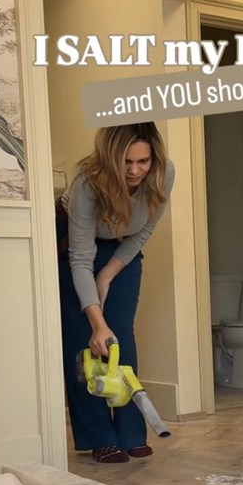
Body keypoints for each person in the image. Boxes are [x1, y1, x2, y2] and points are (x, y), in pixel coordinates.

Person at [56, 122, 175, 463]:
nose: (136, 170)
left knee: (119, 335)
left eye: (144, 161)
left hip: (122, 246)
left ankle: (130, 431)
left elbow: (144, 231)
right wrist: (95, 320)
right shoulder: (86, 184)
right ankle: (99, 436)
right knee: (86, 338)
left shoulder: (164, 174)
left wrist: (107, 275)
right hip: (75, 241)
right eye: (127, 163)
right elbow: (80, 259)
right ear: (110, 159)